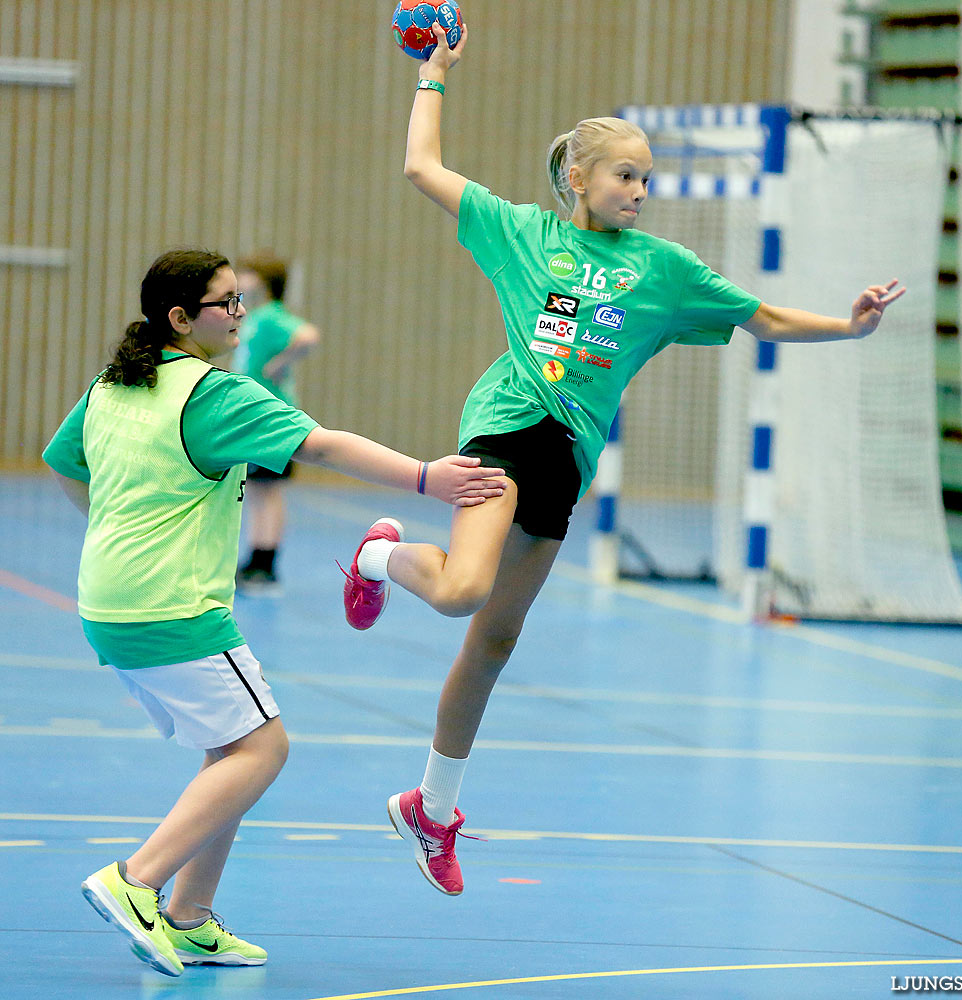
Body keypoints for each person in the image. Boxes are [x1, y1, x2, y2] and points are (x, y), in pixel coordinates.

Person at [338, 23, 905, 898]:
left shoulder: (663, 270)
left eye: (646, 177)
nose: (640, 189)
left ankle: (432, 808)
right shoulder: (524, 234)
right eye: (625, 174)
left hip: (569, 456)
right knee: (458, 593)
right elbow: (422, 167)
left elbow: (763, 317)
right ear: (579, 179)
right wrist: (433, 78)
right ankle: (377, 554)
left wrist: (849, 323)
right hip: (508, 423)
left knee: (494, 638)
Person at [43, 247, 504, 977]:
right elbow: (323, 444)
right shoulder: (214, 394)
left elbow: (65, 464)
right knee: (263, 749)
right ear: (180, 318)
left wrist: (114, 527)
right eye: (226, 303)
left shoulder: (111, 383)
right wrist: (425, 478)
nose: (239, 314)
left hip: (106, 600)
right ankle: (136, 881)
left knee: (229, 749)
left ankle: (190, 918)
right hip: (174, 608)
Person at [234, 250, 320, 595]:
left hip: (271, 418)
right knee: (258, 490)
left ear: (265, 279)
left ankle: (265, 563)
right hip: (254, 418)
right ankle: (256, 557)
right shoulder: (257, 316)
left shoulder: (272, 316)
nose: (241, 278)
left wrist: (282, 362)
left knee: (267, 490)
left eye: (249, 273)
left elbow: (309, 335)